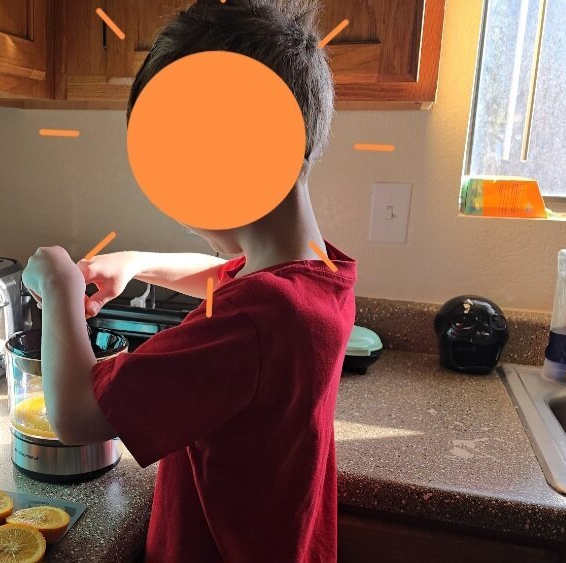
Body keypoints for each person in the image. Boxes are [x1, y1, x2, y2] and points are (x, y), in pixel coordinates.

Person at [21, 0, 354, 560]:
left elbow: (77, 414)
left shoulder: (249, 324)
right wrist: (137, 261)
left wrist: (58, 285)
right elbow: (234, 280)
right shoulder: (321, 275)